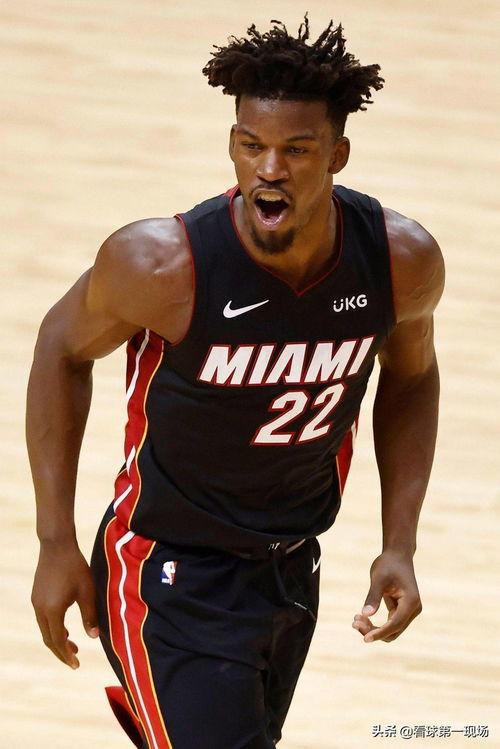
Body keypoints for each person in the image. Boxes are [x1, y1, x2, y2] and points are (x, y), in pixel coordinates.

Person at [27, 15, 445, 749]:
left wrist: (399, 541)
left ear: (338, 154)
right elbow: (61, 348)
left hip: (291, 570)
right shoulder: (163, 265)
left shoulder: (397, 261)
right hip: (167, 573)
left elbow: (413, 378)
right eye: (252, 146)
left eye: (297, 149)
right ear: (232, 146)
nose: (269, 169)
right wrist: (55, 540)